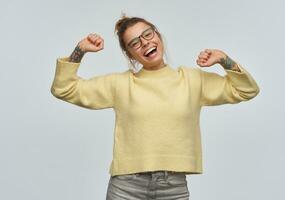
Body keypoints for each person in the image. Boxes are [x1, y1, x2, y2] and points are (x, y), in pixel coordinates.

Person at [50, 15, 260, 200]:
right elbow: (64, 89)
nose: (144, 43)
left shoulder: (192, 80)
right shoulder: (121, 84)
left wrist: (224, 60)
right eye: (134, 43)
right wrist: (80, 50)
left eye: (148, 34)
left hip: (174, 187)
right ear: (131, 54)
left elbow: (246, 90)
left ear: (158, 35)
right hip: (126, 187)